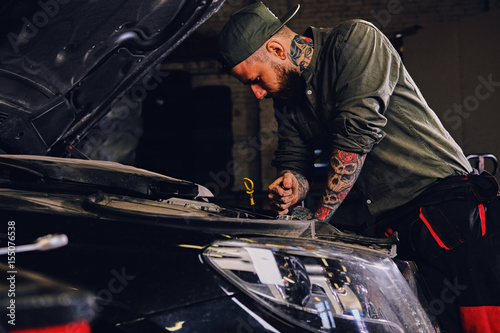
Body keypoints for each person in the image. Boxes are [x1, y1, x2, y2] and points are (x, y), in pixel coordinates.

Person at [217, 2, 500, 332]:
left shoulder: (355, 41)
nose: (256, 94)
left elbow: (356, 135)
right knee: (425, 325)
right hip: (393, 224)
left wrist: (317, 224)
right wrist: (292, 183)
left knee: (480, 322)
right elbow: (295, 161)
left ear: (277, 48)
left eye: (256, 79)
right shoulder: (288, 98)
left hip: (445, 210)